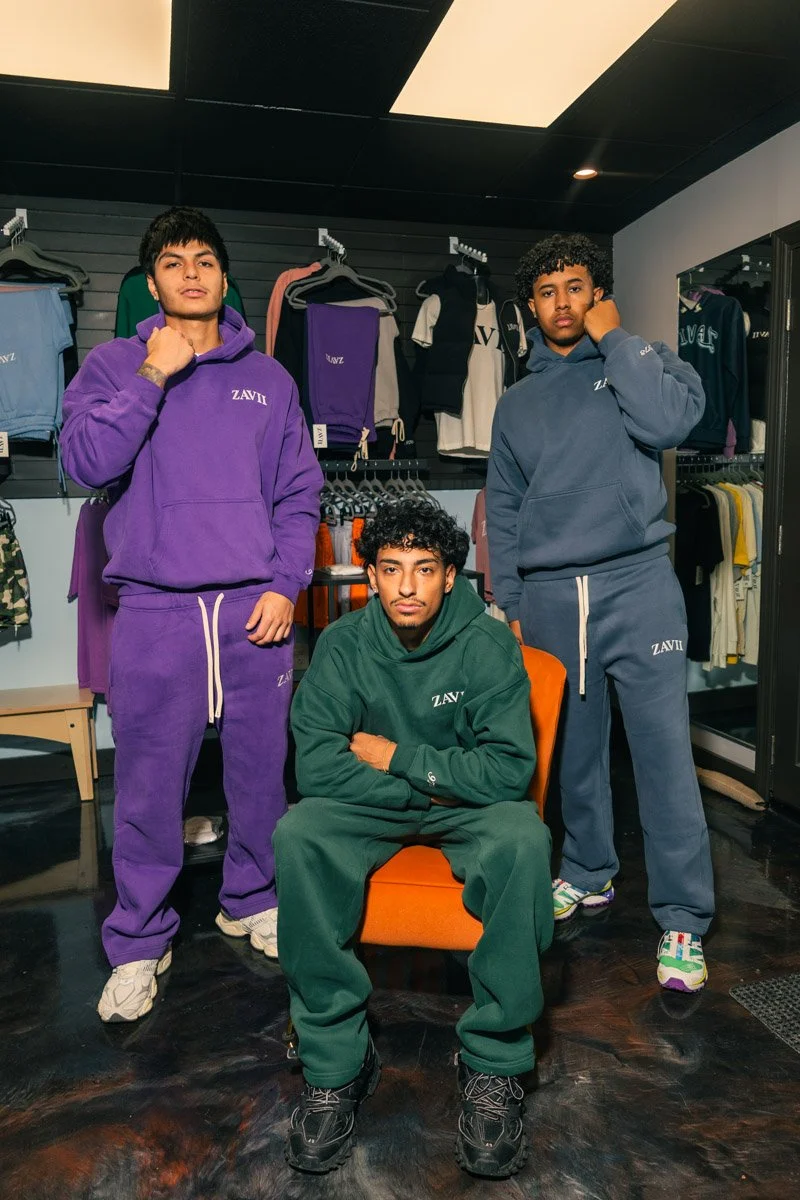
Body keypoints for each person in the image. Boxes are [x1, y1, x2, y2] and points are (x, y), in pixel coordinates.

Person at [60, 207, 323, 1022]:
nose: (191, 272)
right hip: (155, 609)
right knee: (143, 788)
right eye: (173, 261)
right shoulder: (113, 364)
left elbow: (298, 491)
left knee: (257, 775)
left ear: (223, 274)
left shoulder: (268, 378)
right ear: (151, 281)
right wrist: (152, 375)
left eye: (205, 259)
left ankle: (250, 897)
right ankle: (138, 940)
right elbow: (83, 463)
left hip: (254, 607)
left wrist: (287, 583)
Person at [274, 499, 553, 1179]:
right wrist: (420, 790)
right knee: (300, 831)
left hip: (463, 805)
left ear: (450, 576)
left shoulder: (487, 645)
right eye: (391, 568)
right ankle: (338, 1064)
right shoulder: (342, 645)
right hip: (392, 802)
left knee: (524, 838)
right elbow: (316, 767)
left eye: (424, 569)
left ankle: (496, 1063)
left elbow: (510, 770)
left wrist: (400, 759)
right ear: (368, 575)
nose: (406, 587)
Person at [487, 234, 714, 994]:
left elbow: (670, 424)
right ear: (530, 306)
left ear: (598, 294)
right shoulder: (516, 401)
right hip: (552, 597)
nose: (562, 303)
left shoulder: (639, 360)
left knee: (663, 760)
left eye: (576, 287)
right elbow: (507, 506)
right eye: (547, 291)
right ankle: (587, 871)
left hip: (637, 583)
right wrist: (513, 602)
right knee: (573, 755)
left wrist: (615, 337)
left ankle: (683, 918)